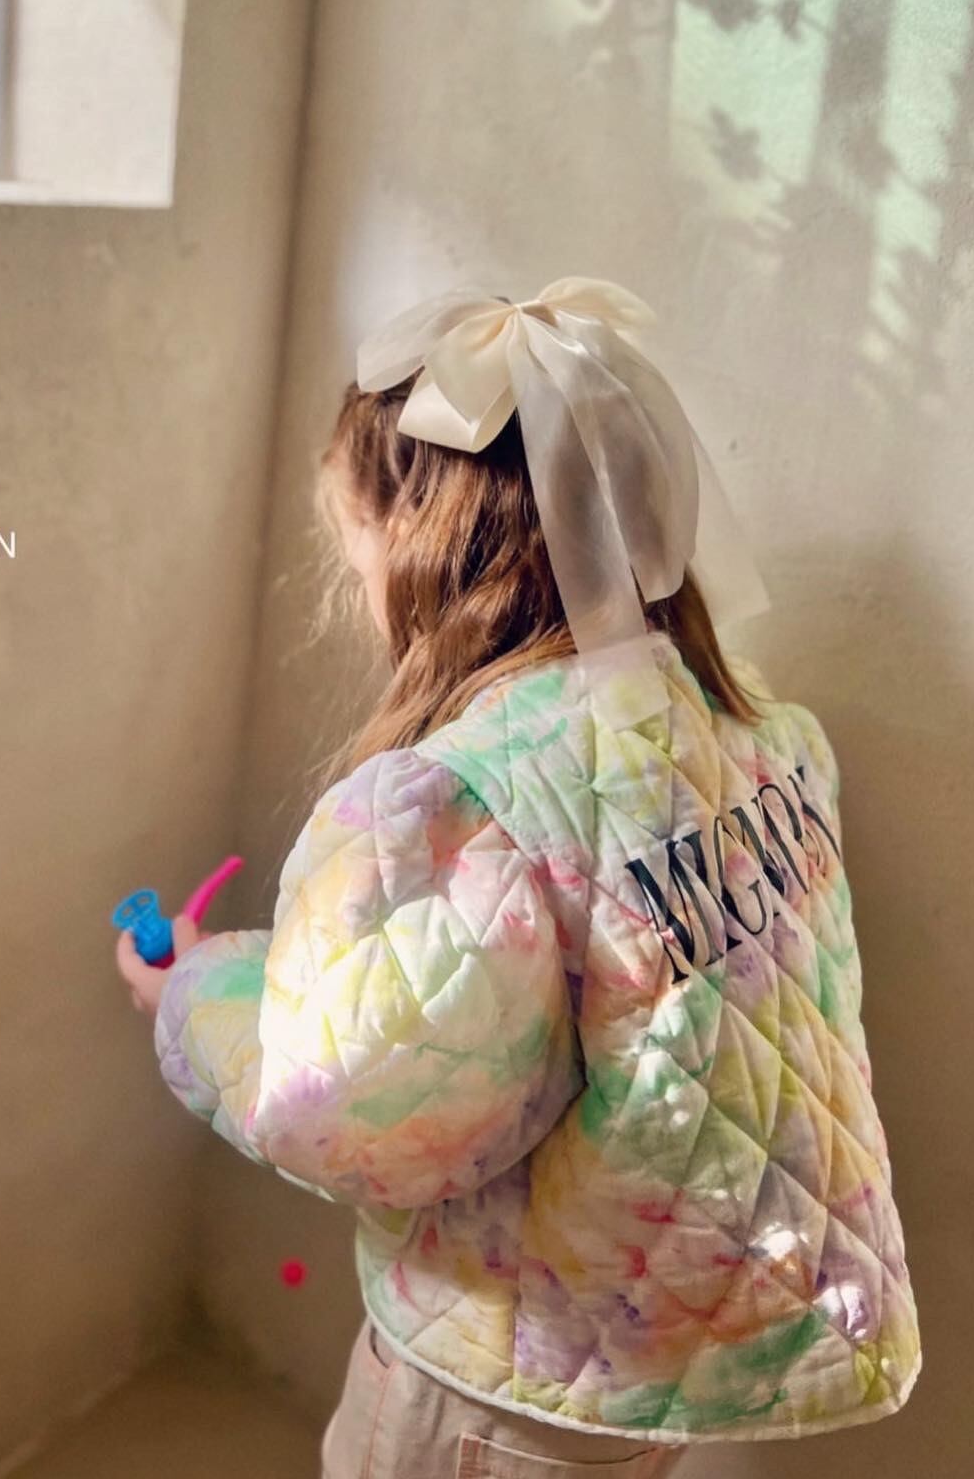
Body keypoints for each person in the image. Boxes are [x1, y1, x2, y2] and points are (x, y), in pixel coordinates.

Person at [116, 282, 920, 1478]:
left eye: (356, 546)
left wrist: (193, 995)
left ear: (422, 548)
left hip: (506, 1385)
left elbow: (354, 1108)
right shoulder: (762, 737)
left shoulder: (451, 806)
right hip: (675, 1354)